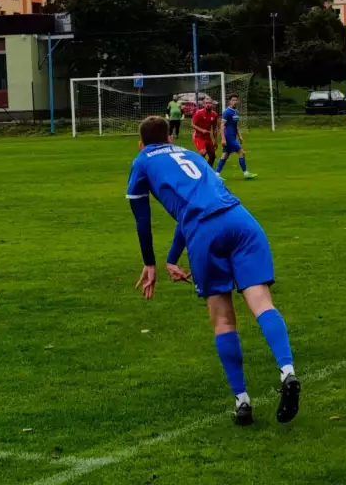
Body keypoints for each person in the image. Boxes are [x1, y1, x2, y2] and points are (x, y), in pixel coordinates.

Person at [127, 116, 299, 426]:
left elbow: (143, 218)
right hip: (241, 219)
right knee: (261, 301)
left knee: (221, 315)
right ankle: (288, 372)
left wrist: (151, 263)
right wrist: (171, 258)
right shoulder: (191, 155)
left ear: (141, 144)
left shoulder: (141, 162)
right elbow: (200, 201)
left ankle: (242, 401)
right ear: (169, 139)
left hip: (204, 232)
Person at [216, 95, 256, 180]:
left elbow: (235, 125)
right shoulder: (227, 112)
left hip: (233, 136)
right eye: (233, 100)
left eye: (236, 100)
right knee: (241, 152)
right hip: (228, 137)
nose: (235, 101)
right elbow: (222, 125)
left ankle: (216, 175)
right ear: (229, 102)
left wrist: (240, 136)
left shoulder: (236, 112)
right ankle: (246, 173)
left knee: (225, 155)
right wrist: (223, 138)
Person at [191, 98, 220, 166]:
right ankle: (196, 167)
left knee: (213, 156)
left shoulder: (214, 114)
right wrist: (202, 130)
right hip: (198, 136)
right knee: (203, 153)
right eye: (206, 103)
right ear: (203, 104)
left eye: (209, 103)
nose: (208, 105)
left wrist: (215, 141)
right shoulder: (198, 113)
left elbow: (215, 128)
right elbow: (192, 124)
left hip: (207, 138)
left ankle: (208, 170)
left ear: (212, 104)